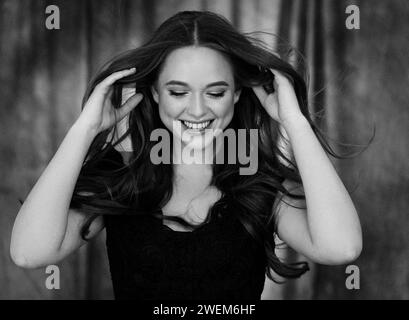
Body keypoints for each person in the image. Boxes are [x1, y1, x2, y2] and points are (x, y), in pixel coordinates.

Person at [10, 11, 362, 300]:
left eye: (215, 92)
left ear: (237, 94)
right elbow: (29, 252)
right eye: (178, 92)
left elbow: (341, 248)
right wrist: (84, 129)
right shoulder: (122, 176)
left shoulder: (259, 182)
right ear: (155, 94)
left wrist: (294, 122)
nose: (196, 110)